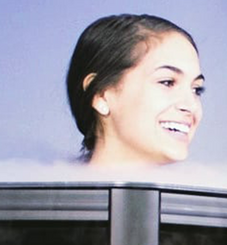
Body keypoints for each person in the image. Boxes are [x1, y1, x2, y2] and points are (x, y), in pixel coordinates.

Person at [66, 14, 205, 167]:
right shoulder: (52, 188)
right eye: (167, 82)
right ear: (101, 95)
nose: (191, 106)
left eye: (196, 90)